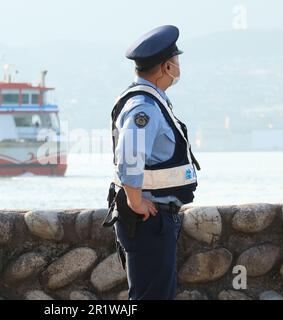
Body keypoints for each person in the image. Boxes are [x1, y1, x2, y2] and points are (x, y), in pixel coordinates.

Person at [103, 25, 201, 300]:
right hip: (148, 218)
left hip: (155, 217)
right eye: (177, 61)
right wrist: (135, 200)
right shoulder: (144, 107)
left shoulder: (152, 101)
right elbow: (129, 155)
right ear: (167, 67)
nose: (179, 67)